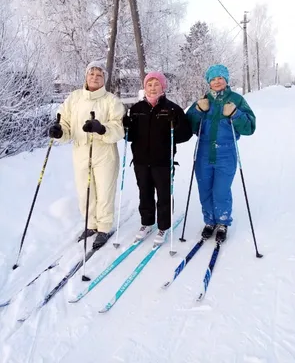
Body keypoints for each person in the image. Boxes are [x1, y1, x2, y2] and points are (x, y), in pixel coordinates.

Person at [49, 61, 125, 249]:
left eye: (99, 75)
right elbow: (64, 121)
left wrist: (101, 128)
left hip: (104, 152)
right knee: (85, 190)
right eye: (91, 74)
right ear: (86, 76)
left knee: (104, 190)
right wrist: (59, 131)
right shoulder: (74, 98)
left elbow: (118, 128)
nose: (94, 77)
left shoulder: (111, 100)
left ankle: (104, 227)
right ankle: (91, 224)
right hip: (81, 150)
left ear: (104, 79)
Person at [186, 64, 256, 243]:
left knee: (221, 190)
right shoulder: (202, 99)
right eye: (213, 79)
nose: (217, 82)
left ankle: (223, 222)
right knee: (205, 190)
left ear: (226, 80)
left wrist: (235, 114)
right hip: (203, 152)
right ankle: (209, 221)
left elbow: (249, 128)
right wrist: (197, 111)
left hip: (226, 153)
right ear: (209, 81)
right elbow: (188, 128)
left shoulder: (236, 100)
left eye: (220, 78)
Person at [123, 71, 192, 245]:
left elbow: (185, 135)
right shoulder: (137, 109)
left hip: (162, 161)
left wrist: (175, 124)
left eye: (156, 84)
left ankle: (163, 226)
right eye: (149, 84)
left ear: (163, 86)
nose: (153, 88)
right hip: (140, 161)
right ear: (144, 87)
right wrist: (126, 126)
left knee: (164, 195)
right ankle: (146, 223)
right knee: (144, 193)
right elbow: (130, 137)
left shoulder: (172, 108)